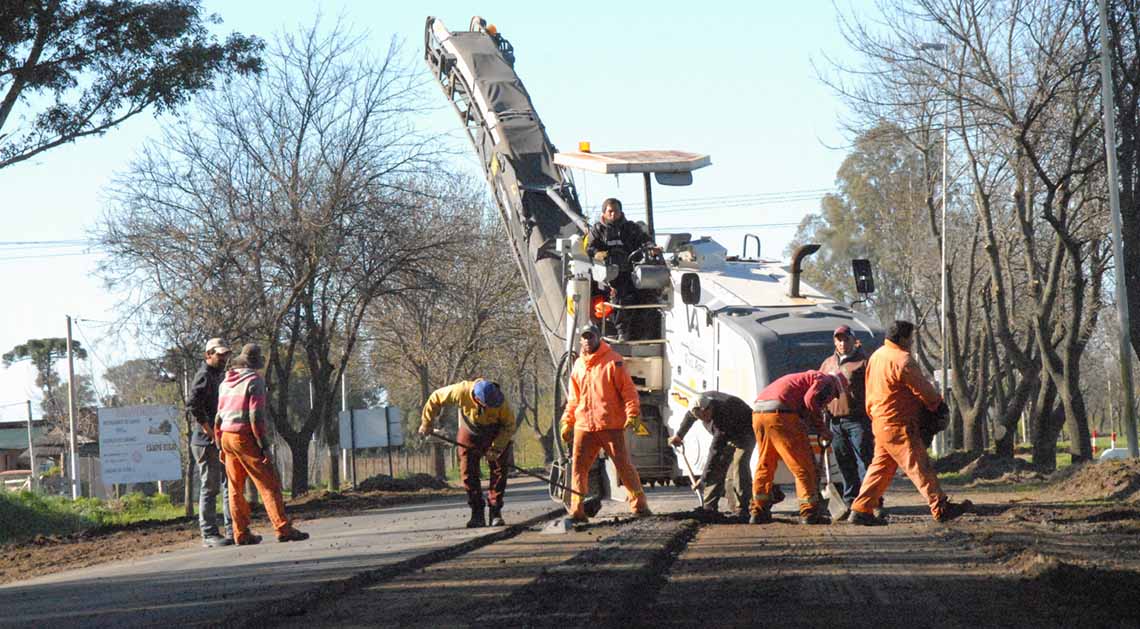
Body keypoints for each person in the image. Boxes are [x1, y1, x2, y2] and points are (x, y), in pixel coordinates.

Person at [846, 320, 972, 525]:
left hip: (879, 421)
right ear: (904, 339)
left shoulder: (877, 356)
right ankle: (940, 507)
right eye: (911, 338)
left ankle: (861, 509)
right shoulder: (903, 360)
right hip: (899, 423)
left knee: (880, 469)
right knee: (919, 465)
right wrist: (938, 406)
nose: (912, 342)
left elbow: (869, 389)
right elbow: (922, 389)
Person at [215, 343, 308, 544]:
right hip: (244, 437)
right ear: (255, 363)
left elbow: (218, 417)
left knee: (235, 488)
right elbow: (255, 417)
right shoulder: (254, 381)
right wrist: (264, 446)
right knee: (268, 484)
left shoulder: (225, 383)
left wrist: (220, 445)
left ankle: (240, 533)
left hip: (226, 437)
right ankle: (283, 528)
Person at [560, 326, 651, 520]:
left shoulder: (614, 361)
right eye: (584, 337)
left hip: (610, 425)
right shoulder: (578, 365)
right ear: (580, 340)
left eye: (590, 337)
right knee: (578, 468)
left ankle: (640, 506)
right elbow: (573, 399)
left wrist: (632, 413)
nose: (587, 341)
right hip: (584, 426)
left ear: (598, 338)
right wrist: (567, 421)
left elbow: (628, 391)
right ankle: (577, 510)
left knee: (623, 465)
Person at [749, 370, 844, 525]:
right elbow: (810, 399)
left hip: (759, 414)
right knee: (803, 467)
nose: (831, 400)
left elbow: (802, 402)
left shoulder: (802, 378)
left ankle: (758, 511)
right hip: (781, 415)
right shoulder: (825, 380)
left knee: (766, 463)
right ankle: (809, 512)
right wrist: (822, 429)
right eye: (834, 396)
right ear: (835, 386)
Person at [419, 379, 516, 528]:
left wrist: (496, 448)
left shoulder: (502, 403)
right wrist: (427, 423)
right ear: (477, 400)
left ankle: (495, 512)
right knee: (468, 472)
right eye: (489, 405)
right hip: (470, 430)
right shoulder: (461, 391)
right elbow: (435, 398)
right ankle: (477, 513)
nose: (492, 407)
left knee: (499, 470)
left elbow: (509, 426)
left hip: (496, 432)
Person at [669, 391, 756, 522]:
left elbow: (715, 451)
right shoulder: (697, 405)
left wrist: (703, 479)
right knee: (718, 468)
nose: (704, 419)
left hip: (746, 431)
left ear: (710, 408)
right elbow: (689, 417)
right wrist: (679, 435)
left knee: (739, 466)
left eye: (705, 416)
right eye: (700, 417)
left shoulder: (722, 416)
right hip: (729, 432)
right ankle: (709, 508)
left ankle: (743, 510)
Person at [818, 325, 873, 519]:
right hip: (835, 421)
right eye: (838, 339)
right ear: (834, 342)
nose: (842, 343)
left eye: (845, 339)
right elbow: (819, 388)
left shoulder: (864, 362)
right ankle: (850, 501)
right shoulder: (828, 364)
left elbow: (874, 388)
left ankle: (872, 501)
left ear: (853, 340)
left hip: (858, 420)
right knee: (844, 463)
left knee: (865, 461)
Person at [585, 197, 659, 341]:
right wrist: (597, 253)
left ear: (621, 212)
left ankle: (646, 333)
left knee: (648, 294)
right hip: (610, 275)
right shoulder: (598, 230)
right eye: (610, 211)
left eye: (616, 211)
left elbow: (645, 240)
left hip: (632, 270)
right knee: (621, 296)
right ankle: (622, 332)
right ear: (604, 213)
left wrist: (652, 248)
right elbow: (590, 248)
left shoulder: (631, 228)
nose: (613, 214)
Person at [188, 337, 233, 547]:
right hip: (205, 443)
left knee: (229, 485)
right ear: (208, 355)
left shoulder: (220, 375)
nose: (223, 359)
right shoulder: (204, 376)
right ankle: (209, 534)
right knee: (210, 487)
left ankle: (233, 529)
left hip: (221, 439)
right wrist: (211, 432)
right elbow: (193, 406)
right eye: (219, 355)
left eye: (226, 355)